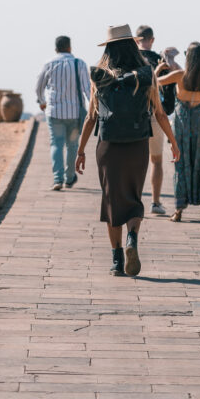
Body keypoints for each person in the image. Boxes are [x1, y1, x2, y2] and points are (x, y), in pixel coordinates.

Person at [75, 25, 180, 277]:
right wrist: (173, 142)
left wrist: (80, 150)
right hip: (137, 144)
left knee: (112, 200)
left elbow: (91, 117)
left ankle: (116, 260)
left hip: (108, 146)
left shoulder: (100, 75)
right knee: (133, 198)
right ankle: (132, 237)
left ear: (109, 48)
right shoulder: (145, 75)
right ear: (133, 45)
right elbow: (159, 113)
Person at [157, 41, 200, 221]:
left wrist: (158, 68)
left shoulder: (180, 75)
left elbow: (154, 82)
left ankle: (179, 210)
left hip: (182, 121)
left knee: (181, 163)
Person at [36, 35, 90, 191]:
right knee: (73, 145)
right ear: (70, 47)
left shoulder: (49, 64)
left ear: (56, 49)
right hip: (74, 113)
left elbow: (39, 87)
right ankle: (69, 177)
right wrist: (94, 107)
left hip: (54, 112)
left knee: (56, 144)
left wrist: (42, 102)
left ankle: (57, 179)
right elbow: (87, 89)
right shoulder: (79, 64)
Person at [135, 25, 173, 216]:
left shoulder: (131, 60)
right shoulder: (160, 60)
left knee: (134, 160)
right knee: (156, 160)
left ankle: (133, 200)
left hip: (133, 116)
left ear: (136, 40)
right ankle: (156, 202)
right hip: (156, 114)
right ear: (152, 39)